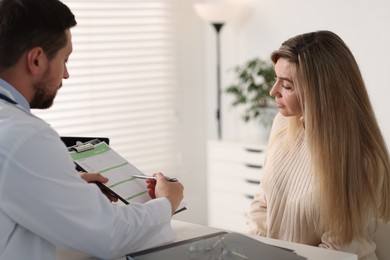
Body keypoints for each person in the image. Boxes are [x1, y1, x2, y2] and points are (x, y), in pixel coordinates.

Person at [0, 0, 184, 259]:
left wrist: (64, 187)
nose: (66, 74)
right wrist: (167, 203)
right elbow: (109, 235)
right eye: (64, 59)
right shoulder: (25, 136)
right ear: (36, 60)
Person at [247, 30, 390, 260]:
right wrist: (257, 249)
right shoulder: (283, 124)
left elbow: (338, 249)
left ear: (320, 93)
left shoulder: (364, 160)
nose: (273, 92)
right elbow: (262, 202)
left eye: (287, 86)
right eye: (276, 80)